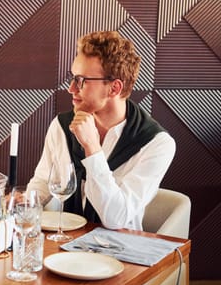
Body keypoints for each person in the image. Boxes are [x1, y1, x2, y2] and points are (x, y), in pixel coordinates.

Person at [27, 31, 175, 231]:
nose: (71, 88)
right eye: (73, 78)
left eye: (81, 80)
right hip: (65, 245)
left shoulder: (156, 144)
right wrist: (25, 203)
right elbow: (43, 183)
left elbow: (116, 218)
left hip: (121, 252)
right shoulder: (62, 126)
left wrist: (92, 148)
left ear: (114, 88)